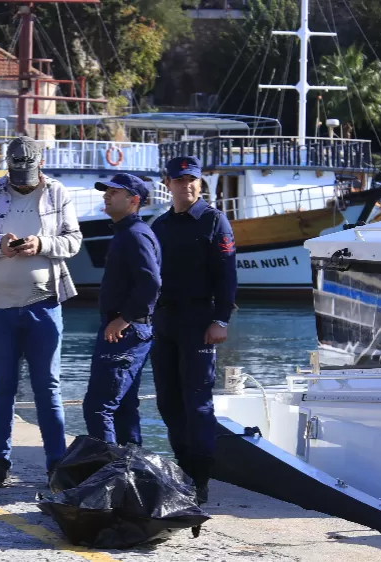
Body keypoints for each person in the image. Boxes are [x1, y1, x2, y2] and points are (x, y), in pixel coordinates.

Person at [0, 135, 82, 489]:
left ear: (40, 165)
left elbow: (73, 240)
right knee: (1, 387)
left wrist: (42, 244)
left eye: (27, 175)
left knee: (48, 386)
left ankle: (56, 465)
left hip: (43, 302)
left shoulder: (58, 192)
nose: (22, 181)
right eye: (16, 175)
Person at [149, 155, 237, 505]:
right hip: (164, 322)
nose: (187, 185)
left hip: (199, 322)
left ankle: (200, 479)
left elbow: (227, 273)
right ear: (168, 184)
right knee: (168, 401)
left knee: (197, 403)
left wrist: (221, 319)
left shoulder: (215, 222)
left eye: (192, 180)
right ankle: (183, 470)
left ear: (199, 184)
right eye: (180, 180)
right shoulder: (160, 226)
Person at [82, 173, 161, 447]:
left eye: (115, 192)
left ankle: (107, 475)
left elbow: (151, 282)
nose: (107, 195)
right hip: (129, 330)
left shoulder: (134, 235)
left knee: (98, 407)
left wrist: (124, 318)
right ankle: (129, 471)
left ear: (134, 200)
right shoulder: (127, 233)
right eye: (106, 190)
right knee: (124, 408)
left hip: (124, 332)